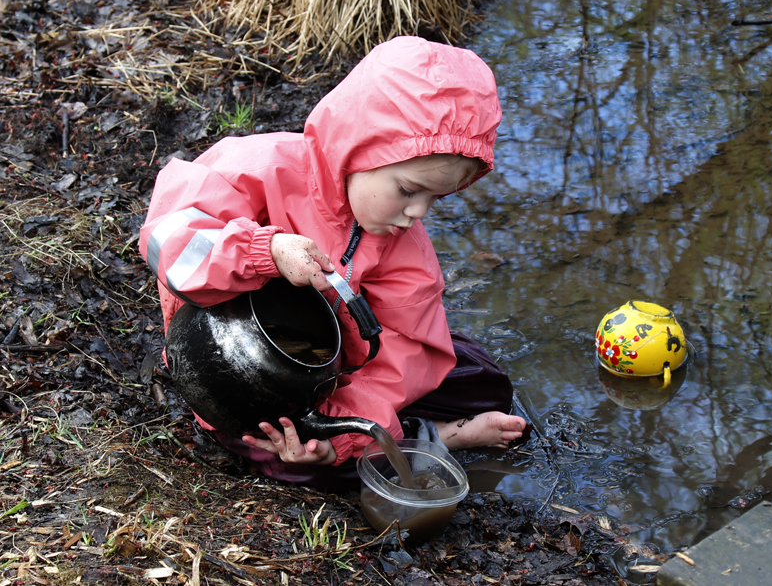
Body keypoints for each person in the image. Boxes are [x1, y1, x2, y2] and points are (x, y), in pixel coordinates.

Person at [139, 36, 527, 490]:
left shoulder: (404, 246)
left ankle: (375, 439)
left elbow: (406, 352)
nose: (418, 211)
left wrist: (339, 434)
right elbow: (169, 240)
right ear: (359, 149)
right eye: (407, 190)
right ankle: (432, 439)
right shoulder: (257, 169)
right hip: (237, 371)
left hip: (334, 377)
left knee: (485, 380)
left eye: (435, 198)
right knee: (288, 457)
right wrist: (265, 252)